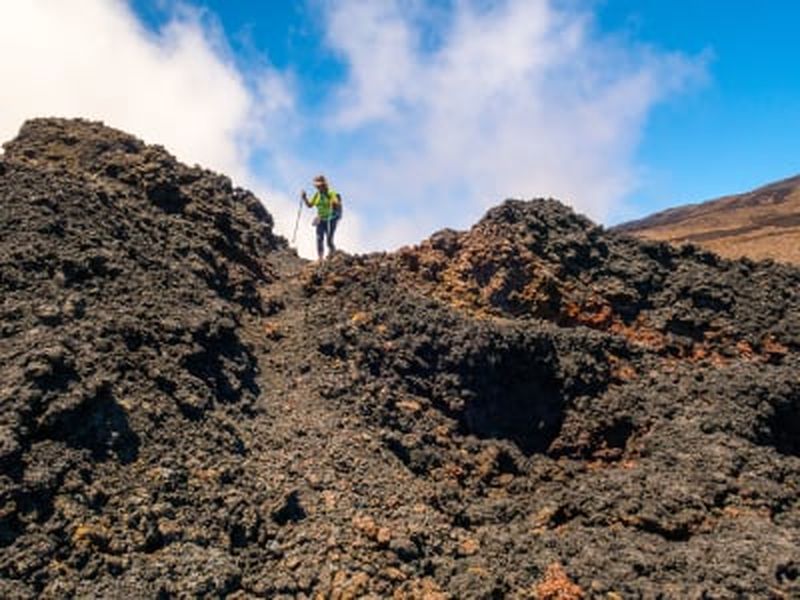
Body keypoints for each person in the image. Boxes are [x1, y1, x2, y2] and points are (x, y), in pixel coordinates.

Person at [302, 175, 342, 260]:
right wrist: (304, 198)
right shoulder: (317, 195)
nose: (318, 188)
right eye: (317, 186)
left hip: (331, 218)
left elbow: (336, 202)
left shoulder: (331, 193)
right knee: (319, 238)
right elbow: (310, 205)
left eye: (320, 186)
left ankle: (332, 253)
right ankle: (320, 258)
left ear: (324, 184)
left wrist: (334, 202)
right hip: (321, 218)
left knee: (329, 240)